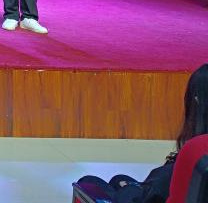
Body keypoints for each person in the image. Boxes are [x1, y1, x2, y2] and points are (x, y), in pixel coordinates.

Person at [74, 63, 208, 203]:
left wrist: (128, 188)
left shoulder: (192, 158)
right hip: (156, 193)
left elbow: (148, 196)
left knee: (89, 182)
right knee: (118, 179)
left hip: (147, 197)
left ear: (196, 100)